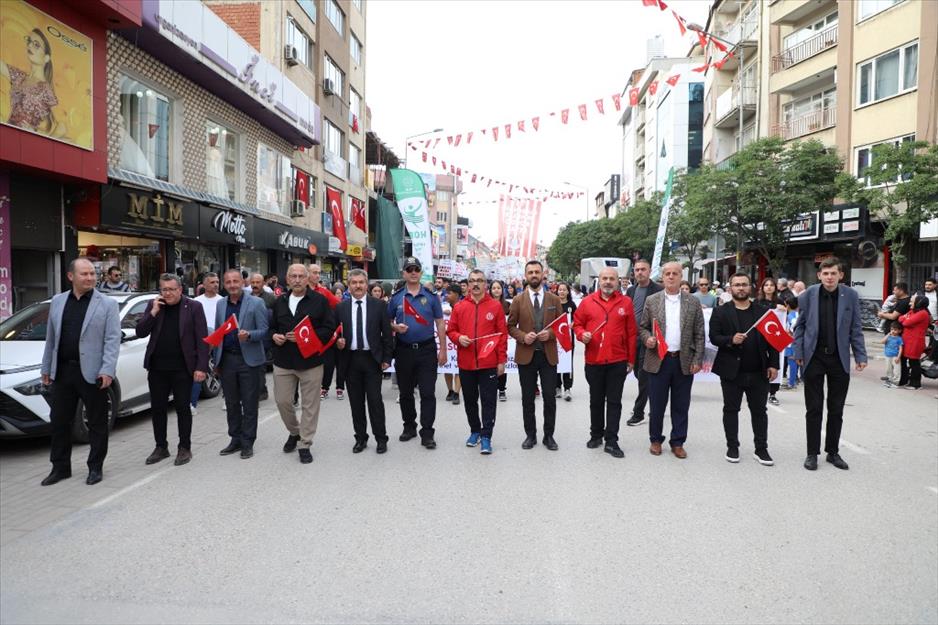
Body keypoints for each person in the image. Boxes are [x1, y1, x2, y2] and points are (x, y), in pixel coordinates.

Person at [39, 258, 121, 486]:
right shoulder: (57, 301)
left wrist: (107, 370)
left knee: (96, 422)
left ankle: (95, 467)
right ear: (70, 276)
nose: (90, 278)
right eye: (84, 274)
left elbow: (112, 340)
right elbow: (52, 338)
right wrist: (46, 367)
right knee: (59, 421)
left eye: (93, 274)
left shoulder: (107, 304)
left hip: (93, 373)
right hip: (63, 371)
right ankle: (60, 467)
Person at [792, 257, 867, 471]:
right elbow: (800, 326)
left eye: (834, 273)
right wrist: (798, 351)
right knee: (813, 408)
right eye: (825, 273)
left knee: (836, 409)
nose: (830, 277)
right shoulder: (808, 295)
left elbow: (855, 327)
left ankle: (832, 452)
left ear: (841, 275)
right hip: (814, 357)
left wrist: (860, 355)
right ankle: (811, 453)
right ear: (819, 275)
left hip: (839, 359)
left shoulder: (851, 296)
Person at [135, 273, 208, 467]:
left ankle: (184, 447)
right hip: (158, 367)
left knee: (183, 408)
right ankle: (161, 447)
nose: (167, 293)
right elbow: (140, 331)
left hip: (182, 368)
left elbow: (202, 340)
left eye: (171, 289)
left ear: (180, 290)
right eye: (164, 289)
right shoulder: (154, 305)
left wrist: (201, 367)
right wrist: (153, 312)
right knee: (158, 408)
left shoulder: (193, 307)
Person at [709, 273, 779, 466]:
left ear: (751, 287)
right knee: (731, 409)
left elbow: (774, 341)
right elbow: (714, 337)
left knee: (759, 411)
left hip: (759, 371)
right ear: (730, 288)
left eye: (744, 285)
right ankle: (732, 446)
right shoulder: (721, 312)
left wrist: (774, 364)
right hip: (731, 371)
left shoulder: (763, 311)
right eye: (737, 285)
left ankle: (761, 448)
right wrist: (730, 339)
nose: (741, 288)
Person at [639, 261, 705, 459]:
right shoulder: (652, 300)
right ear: (662, 276)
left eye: (675, 273)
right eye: (667, 273)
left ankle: (678, 441)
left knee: (681, 404)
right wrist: (647, 338)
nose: (671, 277)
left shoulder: (692, 302)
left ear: (680, 276)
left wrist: (697, 359)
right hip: (659, 359)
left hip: (683, 360)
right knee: (657, 404)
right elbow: (642, 327)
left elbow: (700, 333)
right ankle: (656, 440)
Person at [269, 264, 335, 463]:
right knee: (282, 401)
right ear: (287, 279)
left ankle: (305, 443)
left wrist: (305, 338)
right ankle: (295, 431)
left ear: (307, 279)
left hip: (311, 361)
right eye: (293, 276)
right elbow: (270, 327)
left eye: (301, 276)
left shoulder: (320, 301)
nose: (297, 280)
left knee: (310, 406)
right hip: (283, 361)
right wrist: (275, 336)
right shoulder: (278, 302)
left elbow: (329, 329)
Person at [573, 268, 637, 459]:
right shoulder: (587, 302)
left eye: (612, 279)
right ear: (598, 281)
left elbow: (631, 333)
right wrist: (580, 334)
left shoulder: (625, 303)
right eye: (604, 278)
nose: (608, 282)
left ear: (618, 281)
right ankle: (596, 435)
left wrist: (631, 360)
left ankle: (611, 440)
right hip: (594, 360)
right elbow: (576, 324)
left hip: (618, 360)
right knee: (596, 400)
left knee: (615, 402)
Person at [388, 257, 447, 448]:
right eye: (409, 269)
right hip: (404, 350)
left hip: (427, 350)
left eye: (416, 269)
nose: (413, 272)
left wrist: (443, 350)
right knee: (405, 393)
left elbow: (439, 323)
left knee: (428, 393)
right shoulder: (396, 298)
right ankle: (409, 426)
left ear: (421, 272)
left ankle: (427, 432)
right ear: (404, 273)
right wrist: (396, 328)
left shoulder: (431, 297)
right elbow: (386, 323)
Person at [447, 270, 508, 455]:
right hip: (466, 363)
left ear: (485, 284)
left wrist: (501, 361)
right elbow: (451, 330)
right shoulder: (459, 307)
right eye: (472, 281)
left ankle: (487, 436)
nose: (475, 284)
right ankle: (475, 431)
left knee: (489, 401)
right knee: (470, 400)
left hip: (488, 363)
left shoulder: (495, 306)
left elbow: (502, 335)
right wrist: (459, 338)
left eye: (479, 280)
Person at [334, 269, 394, 453]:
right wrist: (338, 342)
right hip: (350, 360)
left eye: (361, 282)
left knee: (375, 401)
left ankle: (381, 438)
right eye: (354, 283)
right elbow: (335, 333)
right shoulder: (340, 307)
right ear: (349, 285)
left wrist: (386, 358)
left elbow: (387, 335)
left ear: (366, 285)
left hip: (371, 360)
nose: (358, 286)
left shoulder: (378, 306)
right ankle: (360, 438)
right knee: (356, 402)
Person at [214, 269, 269, 459]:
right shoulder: (221, 304)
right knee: (231, 403)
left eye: (235, 281)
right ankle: (235, 439)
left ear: (242, 282)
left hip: (249, 361)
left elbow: (264, 330)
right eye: (228, 282)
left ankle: (248, 442)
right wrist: (216, 360)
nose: (232, 285)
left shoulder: (256, 302)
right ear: (224, 284)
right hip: (227, 359)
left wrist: (250, 335)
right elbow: (219, 333)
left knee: (249, 402)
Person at [507, 260, 562, 450]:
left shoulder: (554, 300)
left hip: (548, 356)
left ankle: (549, 436)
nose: (533, 275)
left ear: (542, 274)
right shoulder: (517, 300)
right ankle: (530, 435)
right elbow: (510, 326)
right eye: (530, 272)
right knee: (527, 398)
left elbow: (561, 327)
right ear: (525, 275)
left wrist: (551, 334)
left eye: (536, 272)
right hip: (526, 356)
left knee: (549, 397)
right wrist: (523, 336)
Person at [0, 29, 66, 138]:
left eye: (36, 45)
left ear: (46, 58)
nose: (30, 45)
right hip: (8, 133)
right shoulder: (20, 77)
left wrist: (36, 134)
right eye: (29, 41)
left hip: (25, 140)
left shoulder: (46, 89)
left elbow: (62, 127)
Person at [625, 259, 663, 427]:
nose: (639, 272)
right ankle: (650, 403)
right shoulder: (631, 290)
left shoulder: (659, 290)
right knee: (637, 374)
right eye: (637, 270)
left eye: (643, 269)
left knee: (643, 377)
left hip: (649, 339)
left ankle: (639, 412)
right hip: (632, 339)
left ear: (649, 271)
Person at [308, 264, 343, 400]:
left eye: (318, 273)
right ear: (308, 274)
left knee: (327, 363)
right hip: (306, 334)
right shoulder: (300, 291)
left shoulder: (323, 291)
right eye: (314, 273)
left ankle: (324, 388)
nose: (317, 276)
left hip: (322, 334)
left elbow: (339, 305)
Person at [192, 272, 222, 414]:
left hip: (219, 341)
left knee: (222, 370)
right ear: (204, 285)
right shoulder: (196, 302)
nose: (216, 285)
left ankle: (227, 399)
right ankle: (192, 404)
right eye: (212, 282)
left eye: (217, 282)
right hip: (201, 342)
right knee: (199, 371)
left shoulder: (223, 301)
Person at [756, 277, 785, 406]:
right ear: (762, 287)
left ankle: (773, 392)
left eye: (771, 285)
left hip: (774, 335)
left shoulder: (779, 302)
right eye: (766, 285)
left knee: (775, 360)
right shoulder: (757, 302)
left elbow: (785, 318)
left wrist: (784, 310)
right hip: (760, 336)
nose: (769, 287)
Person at [250, 272, 276, 401]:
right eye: (253, 282)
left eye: (257, 282)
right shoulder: (246, 297)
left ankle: (261, 391)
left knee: (261, 366)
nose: (255, 285)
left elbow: (276, 317)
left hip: (265, 338)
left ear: (263, 283)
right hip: (250, 337)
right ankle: (258, 390)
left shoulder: (271, 298)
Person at [897, 296, 930, 390]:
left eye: (912, 302)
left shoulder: (923, 313)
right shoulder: (913, 311)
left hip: (915, 342)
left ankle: (916, 384)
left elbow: (906, 323)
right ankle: (904, 380)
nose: (909, 303)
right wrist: (906, 318)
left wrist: (906, 318)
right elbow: (900, 318)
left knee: (914, 362)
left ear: (919, 303)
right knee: (903, 360)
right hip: (907, 341)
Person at [489, 280, 511, 401]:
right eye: (494, 288)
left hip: (504, 339)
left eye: (498, 288)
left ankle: (502, 389)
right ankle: (491, 388)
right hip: (490, 340)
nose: (496, 290)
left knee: (502, 363)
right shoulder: (487, 304)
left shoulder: (507, 305)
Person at [555, 282, 577, 401]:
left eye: (564, 290)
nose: (562, 292)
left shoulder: (571, 305)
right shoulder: (553, 304)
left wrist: (573, 323)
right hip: (555, 339)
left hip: (568, 339)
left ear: (568, 292)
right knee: (556, 362)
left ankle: (568, 388)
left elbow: (577, 318)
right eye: (560, 290)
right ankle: (557, 387)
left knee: (568, 362)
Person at [441, 284, 463, 404]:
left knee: (458, 368)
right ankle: (450, 390)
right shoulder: (443, 307)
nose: (447, 296)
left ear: (456, 294)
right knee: (447, 367)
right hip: (446, 344)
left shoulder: (463, 307)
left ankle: (456, 392)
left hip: (457, 342)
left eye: (449, 293)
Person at [880, 321, 904, 387]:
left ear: (899, 331)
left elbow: (901, 348)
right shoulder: (888, 337)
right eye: (892, 329)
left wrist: (898, 357)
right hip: (887, 356)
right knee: (888, 369)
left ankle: (895, 382)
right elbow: (881, 342)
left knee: (897, 370)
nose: (893, 331)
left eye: (895, 330)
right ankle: (889, 380)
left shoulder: (899, 339)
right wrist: (888, 334)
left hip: (895, 356)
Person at [783, 297, 800, 390]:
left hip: (791, 342)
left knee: (792, 361)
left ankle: (791, 382)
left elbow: (793, 326)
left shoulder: (791, 316)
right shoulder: (798, 314)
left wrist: (790, 332)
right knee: (794, 361)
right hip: (796, 341)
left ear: (788, 305)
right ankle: (793, 380)